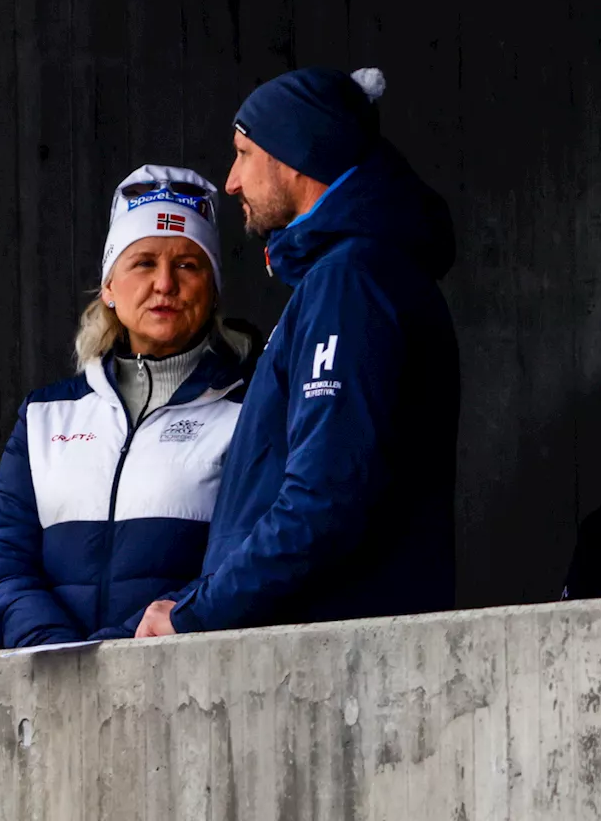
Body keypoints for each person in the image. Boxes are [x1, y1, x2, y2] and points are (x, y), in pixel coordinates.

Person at [135, 66, 459, 638]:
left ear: (293, 155)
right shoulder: (352, 276)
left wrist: (198, 613)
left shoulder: (349, 284)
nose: (231, 181)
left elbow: (325, 500)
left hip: (337, 658)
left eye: (243, 153)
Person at [0, 166, 255, 646]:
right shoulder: (45, 415)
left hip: (185, 686)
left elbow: (238, 562)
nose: (165, 283)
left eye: (188, 265)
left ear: (212, 291)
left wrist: (119, 654)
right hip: (54, 685)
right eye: (143, 262)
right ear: (109, 286)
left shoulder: (246, 411)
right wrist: (54, 649)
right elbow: (1, 558)